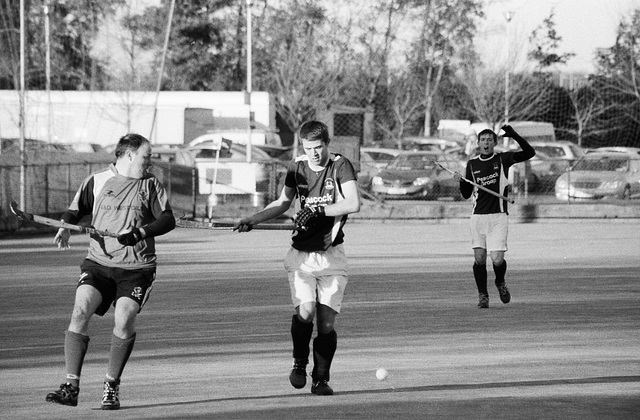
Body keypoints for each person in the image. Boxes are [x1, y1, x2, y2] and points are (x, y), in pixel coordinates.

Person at [45, 133, 175, 409]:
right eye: (146, 156)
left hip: (137, 268)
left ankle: (111, 385)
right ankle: (71, 386)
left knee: (124, 319)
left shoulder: (150, 185)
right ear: (129, 155)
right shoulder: (96, 180)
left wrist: (140, 232)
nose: (150, 161)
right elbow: (75, 210)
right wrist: (65, 228)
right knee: (80, 310)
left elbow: (167, 219)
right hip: (99, 263)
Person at [234, 120, 361, 396]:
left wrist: (319, 211)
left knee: (326, 323)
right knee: (305, 312)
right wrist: (252, 219)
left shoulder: (340, 166)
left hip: (332, 257)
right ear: (302, 146)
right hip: (301, 256)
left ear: (327, 144)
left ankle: (321, 378)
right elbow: (282, 202)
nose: (314, 153)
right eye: (308, 147)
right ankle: (299, 362)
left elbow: (353, 203)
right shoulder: (296, 166)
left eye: (318, 147)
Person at [455, 125, 535, 308]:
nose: (486, 143)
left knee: (497, 259)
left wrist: (514, 135)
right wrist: (462, 182)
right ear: (478, 143)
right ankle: (483, 295)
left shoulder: (503, 159)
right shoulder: (472, 164)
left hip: (498, 217)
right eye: (483, 140)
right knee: (480, 259)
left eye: (489, 140)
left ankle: (500, 282)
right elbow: (466, 194)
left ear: (494, 143)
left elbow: (530, 152)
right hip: (478, 218)